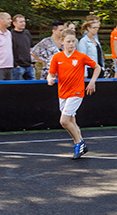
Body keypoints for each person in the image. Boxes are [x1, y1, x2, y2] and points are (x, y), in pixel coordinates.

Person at [47, 29, 101, 160]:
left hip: (76, 92)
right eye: (68, 41)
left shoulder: (80, 56)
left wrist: (92, 82)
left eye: (73, 41)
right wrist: (49, 79)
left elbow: (97, 67)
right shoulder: (57, 57)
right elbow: (51, 73)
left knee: (64, 121)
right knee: (71, 121)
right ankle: (81, 143)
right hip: (63, 93)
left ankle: (78, 143)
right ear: (62, 42)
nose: (71, 44)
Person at [10, 14, 35, 80]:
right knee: (16, 87)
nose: (23, 23)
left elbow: (32, 48)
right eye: (20, 22)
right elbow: (9, 51)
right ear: (14, 23)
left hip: (29, 65)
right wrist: (15, 65)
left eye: (24, 21)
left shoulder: (27, 33)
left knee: (34, 86)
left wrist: (33, 62)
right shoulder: (10, 35)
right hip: (18, 66)